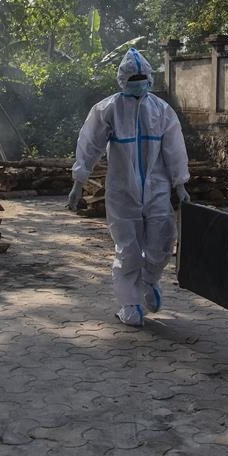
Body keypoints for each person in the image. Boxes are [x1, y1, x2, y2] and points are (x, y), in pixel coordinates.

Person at [68, 48, 191, 327]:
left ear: (148, 77)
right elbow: (89, 146)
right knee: (128, 249)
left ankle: (149, 281)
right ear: (123, 79)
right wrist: (79, 183)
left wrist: (180, 183)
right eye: (133, 76)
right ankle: (130, 304)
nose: (138, 81)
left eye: (141, 76)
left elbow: (175, 149)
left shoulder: (161, 110)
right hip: (122, 191)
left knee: (163, 239)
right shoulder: (107, 109)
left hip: (156, 188)